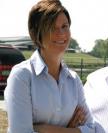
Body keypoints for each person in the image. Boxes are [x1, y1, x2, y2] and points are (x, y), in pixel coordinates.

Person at [4, 0, 94, 133]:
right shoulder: (22, 76)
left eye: (65, 26)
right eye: (52, 27)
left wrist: (45, 129)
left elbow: (92, 128)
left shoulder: (74, 80)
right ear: (37, 34)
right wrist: (71, 129)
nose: (61, 33)